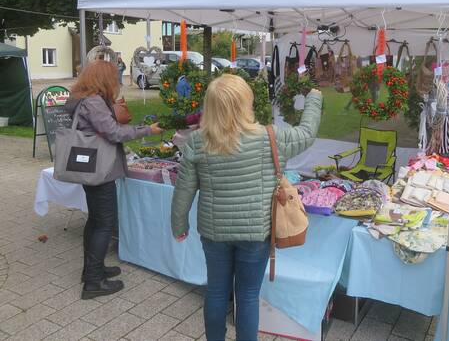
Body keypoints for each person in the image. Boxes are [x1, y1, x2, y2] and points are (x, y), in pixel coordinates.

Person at [171, 74, 322, 341]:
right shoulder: (270, 138)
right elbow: (307, 133)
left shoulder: (197, 142)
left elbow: (184, 189)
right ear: (245, 104)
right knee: (248, 296)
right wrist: (314, 98)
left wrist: (178, 225)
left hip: (214, 232)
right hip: (255, 234)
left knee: (216, 292)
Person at [65, 60, 162, 300]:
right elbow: (114, 132)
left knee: (96, 221)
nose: (118, 80)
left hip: (90, 167)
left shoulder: (83, 98)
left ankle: (92, 270)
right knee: (105, 223)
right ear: (103, 79)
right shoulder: (94, 102)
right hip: (101, 169)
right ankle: (93, 282)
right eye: (115, 76)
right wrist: (147, 130)